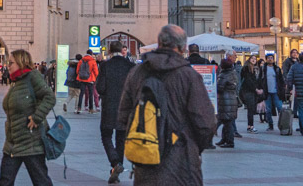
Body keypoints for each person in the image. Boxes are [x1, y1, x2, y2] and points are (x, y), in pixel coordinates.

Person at [117, 25, 216, 185]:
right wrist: (193, 146)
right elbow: (205, 122)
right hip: (183, 164)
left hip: (146, 161)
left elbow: (123, 116)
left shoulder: (136, 73)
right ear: (183, 47)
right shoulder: (189, 76)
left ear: (159, 43)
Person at [0, 49, 56, 186]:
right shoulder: (16, 82)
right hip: (12, 143)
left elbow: (49, 97)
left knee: (41, 181)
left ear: (21, 62)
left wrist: (36, 118)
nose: (8, 66)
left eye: (11, 63)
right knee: (5, 182)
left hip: (31, 142)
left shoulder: (32, 77)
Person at [95, 41, 134, 183]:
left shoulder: (105, 65)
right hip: (126, 108)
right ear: (123, 51)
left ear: (110, 52)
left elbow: (100, 87)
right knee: (121, 138)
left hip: (109, 107)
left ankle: (115, 163)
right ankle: (117, 166)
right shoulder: (130, 66)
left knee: (106, 135)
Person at [215, 57, 239, 148]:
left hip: (225, 100)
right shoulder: (233, 73)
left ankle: (229, 141)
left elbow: (219, 87)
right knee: (227, 121)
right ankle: (224, 139)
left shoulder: (223, 75)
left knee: (227, 123)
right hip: (232, 98)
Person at [259, 52, 285, 131]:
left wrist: (283, 88)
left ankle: (282, 124)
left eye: (271, 58)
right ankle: (270, 125)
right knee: (268, 109)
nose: (270, 59)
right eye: (268, 58)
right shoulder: (263, 69)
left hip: (276, 92)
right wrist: (260, 88)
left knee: (280, 108)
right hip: (267, 92)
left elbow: (281, 80)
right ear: (266, 59)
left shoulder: (277, 69)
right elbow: (259, 79)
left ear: (273, 60)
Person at [239, 55, 263, 133]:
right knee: (250, 109)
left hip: (253, 91)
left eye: (255, 59)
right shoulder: (246, 68)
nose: (254, 60)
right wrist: (256, 89)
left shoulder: (257, 69)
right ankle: (250, 126)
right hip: (247, 91)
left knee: (251, 109)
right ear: (249, 60)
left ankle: (250, 126)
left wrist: (260, 88)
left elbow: (258, 80)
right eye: (252, 58)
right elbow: (248, 80)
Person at [77, 49, 99, 114]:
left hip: (82, 79)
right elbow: (96, 71)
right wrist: (95, 77)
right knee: (90, 94)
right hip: (90, 79)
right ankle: (91, 109)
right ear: (91, 54)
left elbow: (78, 70)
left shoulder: (81, 60)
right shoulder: (92, 61)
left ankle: (79, 108)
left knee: (81, 93)